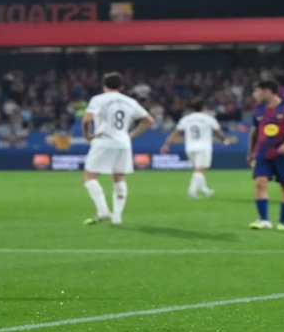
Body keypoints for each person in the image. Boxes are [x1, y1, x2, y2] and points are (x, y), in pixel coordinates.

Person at [81, 72, 155, 225]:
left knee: (89, 177)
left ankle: (102, 211)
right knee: (119, 178)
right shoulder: (129, 101)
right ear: (121, 86)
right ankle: (117, 216)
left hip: (104, 141)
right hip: (123, 143)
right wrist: (132, 134)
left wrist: (87, 135)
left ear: (103, 85)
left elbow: (87, 119)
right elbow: (149, 120)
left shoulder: (99, 99)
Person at [247, 79, 284, 231]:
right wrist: (251, 152)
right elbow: (255, 132)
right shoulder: (258, 110)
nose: (255, 94)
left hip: (283, 154)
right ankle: (263, 220)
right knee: (260, 183)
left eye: (257, 91)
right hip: (263, 153)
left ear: (267, 91)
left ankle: (283, 221)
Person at [160, 99, 234, 198]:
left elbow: (175, 133)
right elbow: (218, 132)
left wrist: (166, 145)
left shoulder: (186, 119)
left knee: (197, 169)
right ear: (204, 108)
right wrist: (224, 141)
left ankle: (204, 190)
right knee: (200, 170)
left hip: (190, 147)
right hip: (203, 147)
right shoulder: (208, 118)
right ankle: (192, 192)